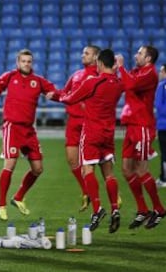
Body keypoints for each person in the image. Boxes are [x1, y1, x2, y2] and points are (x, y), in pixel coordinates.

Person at [0, 48, 57, 221]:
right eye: (23, 61)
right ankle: (1, 204)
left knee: (38, 169)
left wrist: (55, 96)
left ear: (32, 63)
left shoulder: (38, 81)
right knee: (10, 165)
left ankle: (18, 197)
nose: (26, 64)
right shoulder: (9, 77)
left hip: (29, 130)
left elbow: (52, 92)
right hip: (12, 127)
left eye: (29, 61)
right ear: (18, 63)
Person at [60, 49, 124, 233]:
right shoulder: (119, 83)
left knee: (88, 169)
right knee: (109, 174)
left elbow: (71, 98)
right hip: (108, 133)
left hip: (92, 133)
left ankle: (97, 209)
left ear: (100, 64)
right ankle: (115, 209)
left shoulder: (93, 82)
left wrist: (60, 96)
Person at [117, 45, 166, 229]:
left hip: (143, 127)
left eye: (140, 53)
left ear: (148, 59)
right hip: (131, 126)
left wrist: (121, 67)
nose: (136, 55)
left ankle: (159, 208)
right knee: (126, 169)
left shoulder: (149, 74)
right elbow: (124, 84)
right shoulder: (137, 71)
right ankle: (143, 209)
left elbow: (130, 84)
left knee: (141, 170)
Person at [55, 45, 100, 211]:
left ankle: (109, 194)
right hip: (73, 122)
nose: (83, 55)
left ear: (96, 57)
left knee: (94, 163)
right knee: (72, 160)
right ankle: (86, 192)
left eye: (87, 53)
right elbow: (63, 93)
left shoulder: (99, 76)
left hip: (89, 123)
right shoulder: (76, 75)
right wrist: (50, 93)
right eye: (83, 52)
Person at [154, 64, 166, 188]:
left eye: (162, 71)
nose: (160, 73)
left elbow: (158, 105)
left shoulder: (162, 86)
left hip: (163, 125)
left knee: (165, 153)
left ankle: (164, 178)